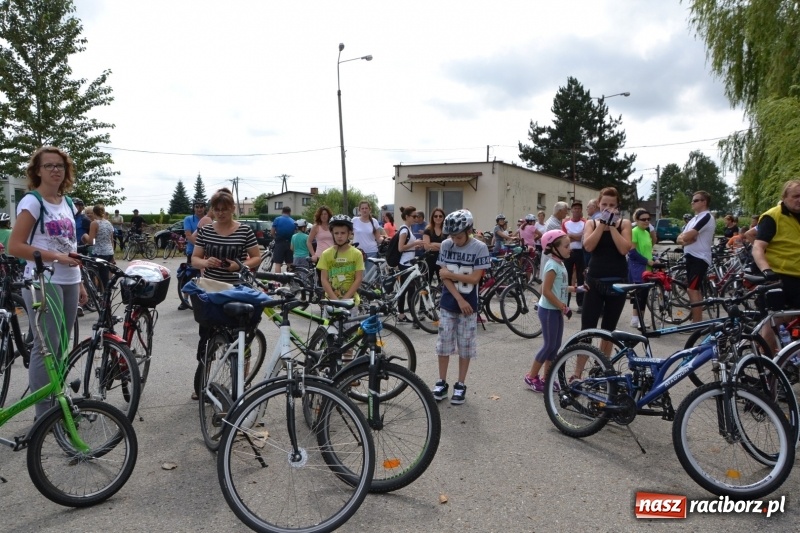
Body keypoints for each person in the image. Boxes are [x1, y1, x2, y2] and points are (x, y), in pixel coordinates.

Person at [8, 146, 89, 417]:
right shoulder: (33, 201)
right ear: (37, 171)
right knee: (45, 349)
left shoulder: (66, 202)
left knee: (60, 346)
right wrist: (56, 257)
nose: (55, 170)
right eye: (49, 165)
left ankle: (56, 402)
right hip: (43, 282)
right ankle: (44, 416)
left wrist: (79, 282)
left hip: (68, 280)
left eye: (60, 165)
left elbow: (71, 244)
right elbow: (15, 246)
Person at [190, 188, 261, 399]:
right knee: (207, 336)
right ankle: (202, 381)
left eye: (225, 209)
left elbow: (256, 257)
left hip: (236, 289)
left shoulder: (244, 230)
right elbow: (195, 259)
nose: (220, 213)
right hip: (210, 288)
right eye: (217, 209)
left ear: (232, 209)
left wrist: (238, 266)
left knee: (241, 336)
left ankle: (241, 382)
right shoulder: (206, 230)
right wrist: (205, 262)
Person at [432, 209, 490, 405]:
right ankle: (441, 381)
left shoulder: (480, 247)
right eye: (452, 236)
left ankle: (460, 383)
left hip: (469, 305)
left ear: (469, 231)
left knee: (465, 346)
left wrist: (451, 275)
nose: (455, 240)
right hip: (450, 302)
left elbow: (475, 278)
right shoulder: (446, 245)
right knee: (444, 344)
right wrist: (458, 298)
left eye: (458, 236)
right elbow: (443, 277)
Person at [581, 187, 632, 356]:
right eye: (604, 204)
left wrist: (611, 227)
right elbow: (588, 246)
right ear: (598, 204)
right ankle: (578, 373)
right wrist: (602, 224)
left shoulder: (624, 223)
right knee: (587, 328)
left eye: (612, 204)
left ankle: (602, 367)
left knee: (609, 330)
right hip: (594, 280)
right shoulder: (592, 223)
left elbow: (624, 249)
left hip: (618, 281)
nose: (608, 208)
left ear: (618, 206)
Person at [524, 230, 577, 392]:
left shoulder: (560, 264)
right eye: (566, 246)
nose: (570, 249)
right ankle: (531, 377)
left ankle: (547, 378)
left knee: (555, 345)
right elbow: (545, 290)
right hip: (548, 311)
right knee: (548, 345)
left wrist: (577, 288)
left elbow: (559, 287)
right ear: (554, 248)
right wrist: (563, 306)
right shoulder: (552, 265)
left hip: (556, 310)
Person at [752, 179, 800, 349]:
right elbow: (758, 247)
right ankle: (767, 369)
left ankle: (790, 360)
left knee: (791, 321)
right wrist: (767, 271)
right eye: (796, 196)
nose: (799, 200)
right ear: (784, 197)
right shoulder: (773, 216)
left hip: (797, 278)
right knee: (772, 324)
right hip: (778, 277)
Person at [677, 191, 715, 323]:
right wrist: (686, 240)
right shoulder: (693, 219)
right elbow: (680, 238)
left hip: (700, 258)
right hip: (691, 257)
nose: (692, 203)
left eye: (696, 200)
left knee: (692, 290)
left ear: (704, 202)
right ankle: (697, 322)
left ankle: (696, 323)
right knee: (695, 290)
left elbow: (686, 236)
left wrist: (686, 238)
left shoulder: (706, 217)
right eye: (692, 200)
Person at [317, 214, 364, 302]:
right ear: (332, 233)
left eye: (343, 233)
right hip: (331, 300)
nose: (339, 236)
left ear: (349, 233)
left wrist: (345, 299)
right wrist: (335, 300)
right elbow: (324, 279)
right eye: (336, 233)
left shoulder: (357, 254)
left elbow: (358, 279)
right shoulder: (326, 254)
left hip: (350, 300)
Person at [395, 206, 424, 326]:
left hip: (408, 262)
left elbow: (406, 247)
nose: (416, 218)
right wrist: (415, 243)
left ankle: (402, 315)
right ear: (407, 217)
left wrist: (414, 246)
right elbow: (400, 248)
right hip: (405, 264)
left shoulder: (408, 229)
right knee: (410, 290)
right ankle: (412, 317)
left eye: (417, 216)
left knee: (406, 290)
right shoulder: (404, 230)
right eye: (414, 216)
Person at [628, 209, 657, 329]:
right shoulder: (634, 231)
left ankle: (635, 319)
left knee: (641, 294)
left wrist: (654, 259)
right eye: (643, 219)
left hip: (647, 266)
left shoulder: (646, 232)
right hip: (639, 266)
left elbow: (647, 251)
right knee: (641, 294)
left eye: (648, 219)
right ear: (636, 220)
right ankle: (640, 321)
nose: (646, 221)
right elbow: (632, 252)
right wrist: (647, 261)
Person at [83, 204, 115, 292]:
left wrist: (85, 236)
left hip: (98, 252)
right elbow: (111, 240)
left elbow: (91, 242)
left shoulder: (94, 223)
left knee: (90, 273)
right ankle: (105, 295)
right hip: (109, 252)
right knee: (104, 275)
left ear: (94, 212)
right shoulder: (109, 223)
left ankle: (94, 293)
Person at [561, 201, 586, 313]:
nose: (576, 210)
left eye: (578, 209)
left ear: (581, 210)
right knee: (567, 277)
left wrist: (572, 235)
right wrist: (577, 236)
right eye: (574, 208)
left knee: (581, 278)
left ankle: (581, 303)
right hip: (569, 252)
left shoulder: (585, 222)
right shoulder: (565, 223)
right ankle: (566, 303)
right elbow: (565, 238)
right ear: (571, 210)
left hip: (581, 252)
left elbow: (584, 237)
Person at [353, 201, 382, 273]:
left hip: (371, 252)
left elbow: (378, 238)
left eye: (366, 208)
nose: (364, 210)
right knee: (358, 276)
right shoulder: (354, 221)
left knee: (370, 276)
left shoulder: (374, 221)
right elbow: (347, 234)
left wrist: (386, 240)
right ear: (359, 210)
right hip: (357, 252)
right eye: (362, 208)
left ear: (370, 209)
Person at [422, 207, 446, 284]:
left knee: (443, 284)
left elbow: (449, 247)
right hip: (430, 260)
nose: (438, 218)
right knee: (426, 284)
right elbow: (426, 247)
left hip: (442, 261)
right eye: (435, 216)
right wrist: (443, 246)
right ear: (432, 217)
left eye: (440, 216)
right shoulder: (427, 230)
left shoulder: (447, 230)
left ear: (443, 217)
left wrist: (433, 244)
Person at [271, 205, 295, 273]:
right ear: (289, 212)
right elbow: (295, 233)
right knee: (289, 263)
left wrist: (275, 238)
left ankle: (278, 281)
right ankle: (291, 280)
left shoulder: (277, 219)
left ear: (282, 211)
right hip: (290, 243)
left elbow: (272, 232)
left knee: (278, 263)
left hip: (279, 243)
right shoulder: (293, 221)